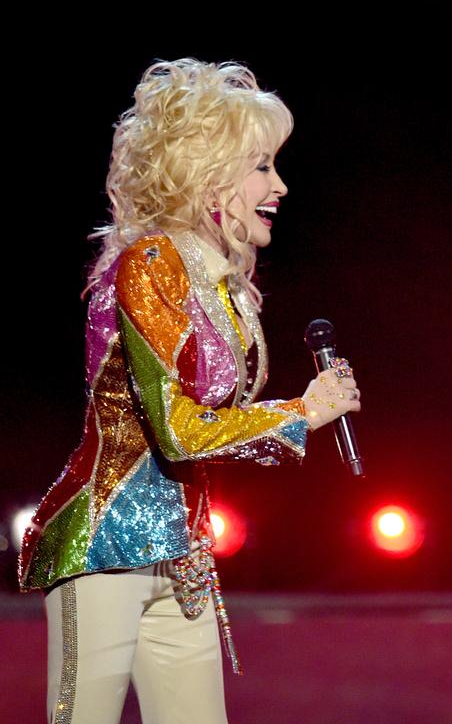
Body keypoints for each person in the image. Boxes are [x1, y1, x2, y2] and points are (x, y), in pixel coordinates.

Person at [18, 58, 361, 723]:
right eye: (262, 166)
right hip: (104, 549)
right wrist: (301, 412)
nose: (281, 185)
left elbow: (205, 424)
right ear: (207, 175)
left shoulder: (217, 280)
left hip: (182, 554)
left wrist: (303, 410)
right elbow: (177, 429)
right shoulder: (151, 263)